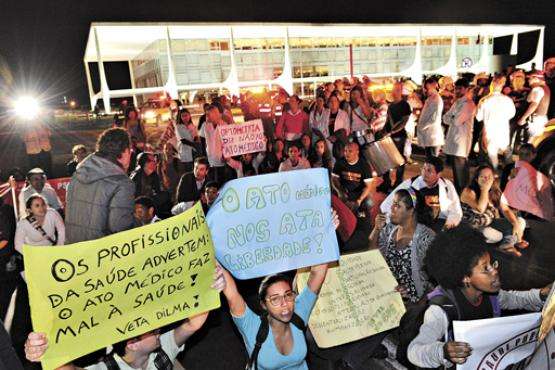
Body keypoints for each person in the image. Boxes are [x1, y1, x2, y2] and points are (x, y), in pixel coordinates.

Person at [24, 267, 226, 370]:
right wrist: (44, 349)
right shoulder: (106, 368)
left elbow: (194, 323)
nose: (158, 329)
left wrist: (206, 285)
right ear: (133, 344)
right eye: (150, 329)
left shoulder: (161, 350)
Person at [407, 225, 551, 368]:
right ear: (465, 278)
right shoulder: (442, 309)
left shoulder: (491, 295)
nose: (494, 271)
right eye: (485, 269)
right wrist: (443, 352)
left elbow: (518, 300)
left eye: (492, 264)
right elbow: (414, 351)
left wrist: (542, 294)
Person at [221, 262, 329, 370]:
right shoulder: (252, 326)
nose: (285, 303)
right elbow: (232, 294)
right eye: (275, 299)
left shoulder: (299, 312)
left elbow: (318, 273)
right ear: (264, 305)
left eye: (287, 295)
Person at [65, 128, 135, 244]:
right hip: (102, 255)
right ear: (125, 152)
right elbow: (121, 230)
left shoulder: (77, 175)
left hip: (76, 253)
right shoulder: (122, 183)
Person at [369, 189, 435, 303]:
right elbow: (373, 257)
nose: (391, 209)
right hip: (390, 298)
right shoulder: (390, 230)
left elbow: (435, 279)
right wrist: (376, 229)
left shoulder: (426, 238)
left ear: (411, 211)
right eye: (393, 204)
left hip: (416, 303)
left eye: (397, 205)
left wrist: (414, 297)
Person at [381, 157, 462, 232]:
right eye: (423, 168)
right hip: (413, 225)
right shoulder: (410, 184)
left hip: (438, 223)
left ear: (439, 174)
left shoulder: (447, 185)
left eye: (429, 171)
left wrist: (446, 228)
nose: (424, 173)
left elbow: (456, 210)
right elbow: (386, 205)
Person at [461, 165, 527, 257]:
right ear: (476, 179)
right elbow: (480, 209)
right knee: (496, 236)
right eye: (483, 177)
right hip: (473, 227)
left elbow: (505, 210)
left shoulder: (495, 192)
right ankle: (511, 239)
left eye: (489, 177)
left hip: (491, 223)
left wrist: (515, 223)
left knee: (520, 222)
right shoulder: (468, 191)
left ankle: (507, 244)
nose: (486, 179)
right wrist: (484, 189)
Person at [442, 78, 476, 193]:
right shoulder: (457, 102)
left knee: (460, 169)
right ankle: (460, 192)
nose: (457, 90)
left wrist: (452, 118)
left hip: (461, 140)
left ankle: (462, 193)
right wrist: (452, 118)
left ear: (466, 89)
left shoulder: (468, 104)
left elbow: (456, 121)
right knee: (456, 169)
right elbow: (445, 118)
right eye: (456, 88)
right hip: (454, 138)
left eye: (460, 88)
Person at [475, 75, 516, 170]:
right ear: (501, 87)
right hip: (503, 130)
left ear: (491, 86)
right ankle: (509, 171)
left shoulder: (484, 100)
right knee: (506, 151)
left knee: (492, 154)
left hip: (489, 131)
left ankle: (494, 170)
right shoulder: (508, 100)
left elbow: (478, 117)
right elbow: (512, 114)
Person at [331, 142, 373, 216]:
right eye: (345, 151)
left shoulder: (364, 165)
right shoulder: (340, 162)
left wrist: (359, 200)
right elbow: (334, 179)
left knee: (369, 203)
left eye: (350, 151)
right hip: (344, 191)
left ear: (357, 152)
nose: (347, 153)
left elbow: (368, 186)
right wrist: (340, 191)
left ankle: (362, 218)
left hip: (358, 193)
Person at [385, 81, 412, 187]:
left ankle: (398, 182)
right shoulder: (391, 105)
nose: (394, 92)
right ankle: (387, 182)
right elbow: (387, 121)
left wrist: (392, 131)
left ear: (401, 91)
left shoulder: (405, 105)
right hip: (390, 136)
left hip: (399, 137)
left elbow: (403, 122)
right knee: (387, 161)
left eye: (397, 89)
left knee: (399, 161)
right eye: (393, 89)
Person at [517, 72, 551, 143]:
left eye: (530, 78)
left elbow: (534, 104)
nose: (528, 80)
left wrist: (523, 118)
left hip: (535, 121)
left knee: (530, 144)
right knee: (535, 143)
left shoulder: (537, 89)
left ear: (536, 79)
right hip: (542, 119)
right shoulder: (545, 88)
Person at [199, 104, 227, 183]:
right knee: (210, 182)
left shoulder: (224, 125)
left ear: (216, 114)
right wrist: (204, 155)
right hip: (209, 158)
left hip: (221, 159)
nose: (207, 116)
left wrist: (225, 154)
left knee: (221, 182)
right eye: (206, 114)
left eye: (209, 114)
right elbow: (202, 140)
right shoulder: (205, 125)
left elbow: (227, 143)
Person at [417, 77, 444, 159]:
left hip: (433, 137)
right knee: (429, 161)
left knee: (433, 163)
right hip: (428, 136)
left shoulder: (437, 99)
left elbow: (434, 119)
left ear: (434, 85)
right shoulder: (430, 99)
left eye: (427, 88)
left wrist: (422, 126)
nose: (426, 90)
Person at [174, 107, 199, 175]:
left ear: (189, 115)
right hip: (185, 151)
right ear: (180, 117)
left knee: (195, 170)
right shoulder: (179, 127)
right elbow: (183, 140)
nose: (185, 117)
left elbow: (195, 136)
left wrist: (196, 140)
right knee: (188, 171)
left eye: (187, 115)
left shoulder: (192, 125)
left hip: (193, 151)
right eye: (183, 116)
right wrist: (195, 145)